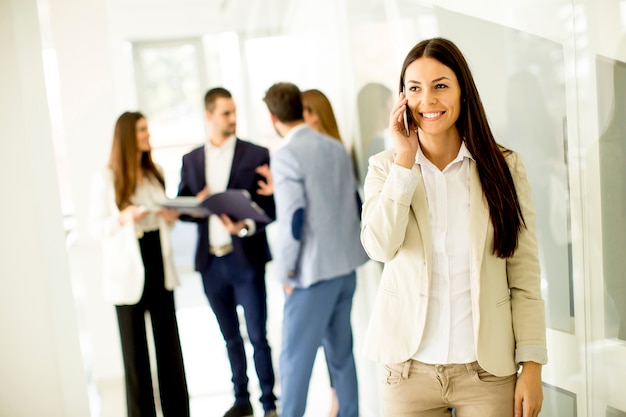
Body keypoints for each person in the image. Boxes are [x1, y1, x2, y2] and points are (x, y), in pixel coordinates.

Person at [359, 37, 548, 417]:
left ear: (463, 92)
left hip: (487, 375)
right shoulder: (386, 168)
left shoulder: (505, 168)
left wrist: (532, 367)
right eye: (415, 89)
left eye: (440, 86)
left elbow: (524, 277)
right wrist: (404, 161)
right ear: (403, 99)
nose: (427, 100)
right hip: (407, 374)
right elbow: (379, 247)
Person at [261, 82, 369, 417]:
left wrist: (285, 272)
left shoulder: (287, 155)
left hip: (311, 275)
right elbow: (355, 202)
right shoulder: (334, 147)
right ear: (300, 108)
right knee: (342, 357)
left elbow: (294, 220)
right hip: (345, 269)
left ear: (272, 117)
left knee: (295, 361)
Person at [177, 87, 278, 417]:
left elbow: (269, 208)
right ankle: (241, 401)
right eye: (225, 113)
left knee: (258, 336)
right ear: (209, 116)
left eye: (234, 112)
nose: (233, 119)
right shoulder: (191, 160)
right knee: (230, 338)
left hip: (245, 259)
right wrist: (199, 204)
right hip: (211, 263)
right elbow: (182, 208)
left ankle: (269, 403)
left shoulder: (256, 154)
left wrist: (246, 225)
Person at [88, 111, 189, 417]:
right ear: (127, 136)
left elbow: (161, 218)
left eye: (147, 130)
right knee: (136, 357)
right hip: (128, 273)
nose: (148, 135)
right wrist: (124, 217)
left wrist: (169, 217)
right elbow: (96, 228)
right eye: (142, 130)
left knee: (169, 348)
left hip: (158, 265)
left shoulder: (155, 171)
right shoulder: (106, 178)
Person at [301, 88, 341, 417]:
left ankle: (338, 402)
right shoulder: (334, 150)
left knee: (305, 351)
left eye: (306, 112)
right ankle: (339, 402)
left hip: (325, 267)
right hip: (340, 264)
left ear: (315, 114)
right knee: (338, 346)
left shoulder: (330, 152)